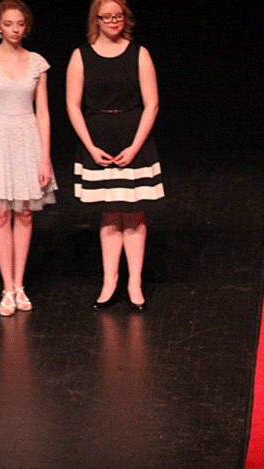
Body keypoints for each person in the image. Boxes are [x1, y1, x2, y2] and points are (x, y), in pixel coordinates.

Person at [66, 0, 162, 312]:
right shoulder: (81, 56)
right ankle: (110, 282)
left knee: (132, 213)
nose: (113, 21)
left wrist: (135, 147)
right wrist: (91, 146)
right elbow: (73, 105)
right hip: (99, 142)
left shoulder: (140, 54)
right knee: (110, 213)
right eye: (106, 16)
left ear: (125, 18)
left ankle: (134, 283)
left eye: (117, 16)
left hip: (132, 140)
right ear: (97, 19)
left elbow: (152, 104)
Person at [0, 0, 56, 317]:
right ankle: (7, 286)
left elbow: (44, 112)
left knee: (26, 213)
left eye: (20, 24)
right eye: (9, 24)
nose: (15, 29)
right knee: (1, 214)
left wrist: (45, 158)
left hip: (27, 136)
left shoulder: (37, 63)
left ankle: (20, 284)